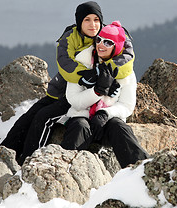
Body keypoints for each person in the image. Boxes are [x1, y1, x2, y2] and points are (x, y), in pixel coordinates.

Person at [0, 1, 135, 165]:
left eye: (96, 19)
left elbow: (127, 56)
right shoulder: (70, 36)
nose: (93, 25)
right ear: (79, 22)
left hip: (81, 98)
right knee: (28, 118)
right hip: (65, 90)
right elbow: (65, 63)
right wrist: (88, 76)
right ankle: (4, 156)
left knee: (43, 117)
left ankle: (28, 162)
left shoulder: (109, 34)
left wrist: (108, 76)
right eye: (86, 20)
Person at [60, 21, 149, 168]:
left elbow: (127, 105)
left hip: (107, 122)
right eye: (99, 40)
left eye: (108, 42)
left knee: (120, 128)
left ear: (117, 46)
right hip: (81, 116)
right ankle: (63, 171)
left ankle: (143, 171)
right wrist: (97, 92)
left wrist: (104, 114)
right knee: (79, 127)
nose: (101, 45)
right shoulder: (82, 63)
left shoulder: (125, 72)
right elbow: (74, 99)